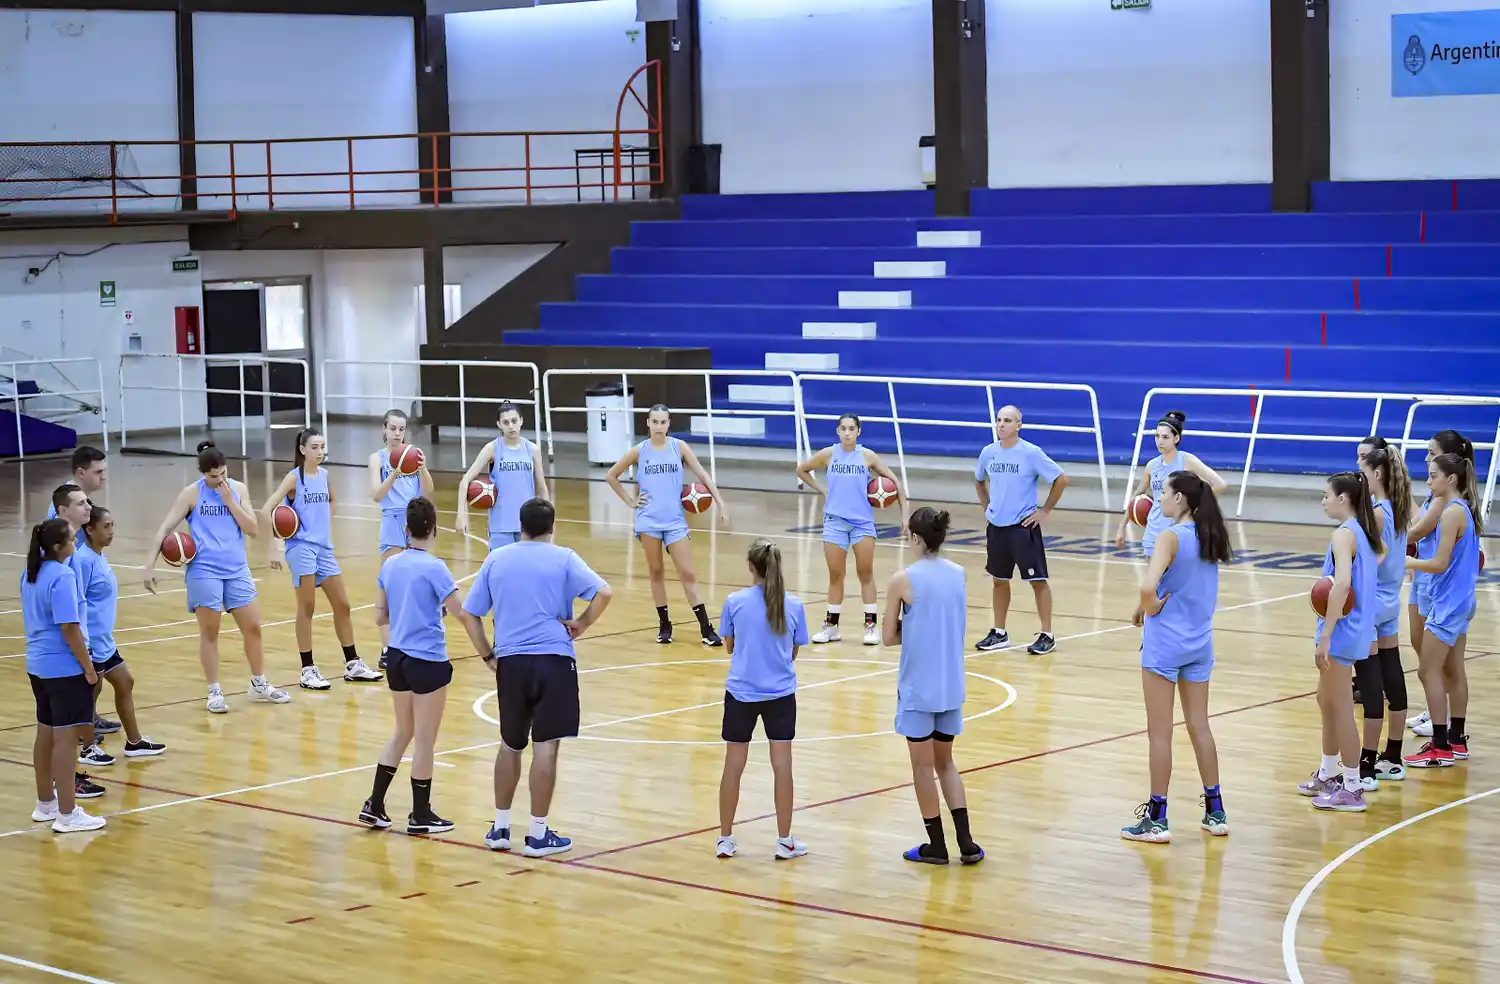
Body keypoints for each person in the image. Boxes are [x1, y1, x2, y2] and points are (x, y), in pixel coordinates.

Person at [459, 497, 611, 858]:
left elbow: (469, 614)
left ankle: (499, 828)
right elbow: (604, 592)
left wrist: (487, 654)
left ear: (520, 526)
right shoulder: (564, 557)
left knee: (510, 743)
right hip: (553, 660)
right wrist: (583, 623)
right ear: (552, 527)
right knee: (546, 746)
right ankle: (539, 834)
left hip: (511, 662)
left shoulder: (497, 558)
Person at [1120, 472, 1232, 843]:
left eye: (1163, 493)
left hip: (1165, 645)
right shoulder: (1209, 534)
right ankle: (1215, 811)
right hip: (1199, 644)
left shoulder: (1169, 537)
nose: (1158, 500)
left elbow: (1149, 585)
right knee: (1200, 726)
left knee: (1160, 734)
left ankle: (1157, 818)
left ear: (1180, 498)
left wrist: (1149, 607)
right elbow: (1180, 582)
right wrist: (1145, 606)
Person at [143, 440, 290, 713]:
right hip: (204, 570)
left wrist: (229, 501)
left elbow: (253, 529)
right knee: (210, 633)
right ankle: (214, 691)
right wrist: (150, 564)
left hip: (236, 568)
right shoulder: (191, 494)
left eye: (223, 473)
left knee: (253, 628)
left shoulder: (237, 490)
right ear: (203, 473)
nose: (220, 479)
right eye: (213, 476)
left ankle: (259, 683)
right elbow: (165, 527)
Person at [881, 507, 983, 865]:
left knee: (922, 768)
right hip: (951, 683)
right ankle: (967, 844)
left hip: (918, 688)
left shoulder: (903, 579)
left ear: (916, 539)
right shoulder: (959, 574)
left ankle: (937, 847)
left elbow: (888, 637)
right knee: (946, 763)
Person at [359, 497, 464, 835]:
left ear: (406, 530)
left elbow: (379, 615)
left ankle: (374, 805)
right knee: (424, 742)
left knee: (401, 731)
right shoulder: (436, 567)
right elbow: (460, 611)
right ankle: (420, 815)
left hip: (397, 658)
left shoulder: (390, 565)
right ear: (433, 530)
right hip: (428, 659)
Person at [262, 426, 382, 690]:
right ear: (303, 450)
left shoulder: (325, 475)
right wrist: (274, 545)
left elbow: (332, 500)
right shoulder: (294, 478)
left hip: (323, 549)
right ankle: (307, 669)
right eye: (314, 447)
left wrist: (325, 525)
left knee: (343, 605)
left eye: (322, 447)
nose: (320, 452)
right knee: (307, 608)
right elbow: (268, 508)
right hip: (300, 549)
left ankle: (352, 664)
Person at [715, 539, 810, 860]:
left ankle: (725, 839)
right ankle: (785, 841)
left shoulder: (734, 601)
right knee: (783, 768)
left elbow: (728, 646)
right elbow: (794, 651)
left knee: (733, 766)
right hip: (781, 695)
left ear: (751, 566)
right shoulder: (794, 605)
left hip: (741, 693)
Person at [605, 404, 726, 646]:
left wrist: (721, 503)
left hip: (675, 522)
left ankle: (705, 627)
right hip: (648, 521)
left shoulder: (678, 447)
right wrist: (631, 501)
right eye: (655, 422)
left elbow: (702, 475)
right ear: (647, 424)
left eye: (663, 422)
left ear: (669, 424)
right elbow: (611, 475)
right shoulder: (639, 451)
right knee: (656, 572)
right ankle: (664, 624)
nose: (659, 426)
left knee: (688, 573)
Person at [1297, 472, 1381, 812]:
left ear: (1343, 499)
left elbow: (1342, 585)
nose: (1323, 500)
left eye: (1326, 495)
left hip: (1343, 633)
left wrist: (1327, 634)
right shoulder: (1362, 531)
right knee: (1326, 700)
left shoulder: (1344, 534)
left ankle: (1351, 787)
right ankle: (1329, 773)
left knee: (1342, 709)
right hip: (1358, 629)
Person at [795, 413, 908, 646]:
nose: (847, 432)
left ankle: (870, 626)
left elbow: (895, 483)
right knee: (835, 576)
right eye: (843, 428)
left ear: (859, 431)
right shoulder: (829, 454)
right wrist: (822, 490)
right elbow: (802, 470)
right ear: (838, 431)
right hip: (834, 522)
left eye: (852, 428)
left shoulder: (868, 456)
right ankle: (831, 626)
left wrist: (905, 513)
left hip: (862, 523)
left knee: (865, 573)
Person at [23, 518, 105, 832]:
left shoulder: (29, 572)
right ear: (59, 547)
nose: (76, 544)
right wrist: (88, 669)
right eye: (72, 540)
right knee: (66, 740)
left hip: (38, 666)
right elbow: (69, 627)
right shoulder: (63, 576)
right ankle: (68, 815)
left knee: (46, 734)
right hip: (63, 668)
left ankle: (46, 804)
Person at [1403, 451, 1483, 769]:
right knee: (1452, 670)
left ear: (1451, 479)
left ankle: (1439, 746)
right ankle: (1457, 739)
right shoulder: (1461, 509)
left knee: (1427, 670)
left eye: (1434, 475)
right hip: (1461, 600)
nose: (1429, 479)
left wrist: (1407, 561)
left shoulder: (1451, 513)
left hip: (1449, 603)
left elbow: (1438, 563)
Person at [973, 405, 1069, 655]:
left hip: (1022, 528)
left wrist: (1045, 510)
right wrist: (988, 508)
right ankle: (999, 632)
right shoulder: (988, 453)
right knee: (999, 580)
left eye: (1008, 420)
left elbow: (1061, 478)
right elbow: (979, 481)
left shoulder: (1031, 453)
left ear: (1018, 425)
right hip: (997, 528)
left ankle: (1047, 634)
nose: (1002, 424)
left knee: (1037, 581)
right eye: (999, 420)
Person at [75, 506, 166, 764]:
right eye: (106, 527)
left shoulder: (98, 556)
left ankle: (134, 742)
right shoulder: (83, 560)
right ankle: (87, 749)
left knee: (125, 682)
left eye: (113, 525)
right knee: (88, 697)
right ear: (89, 530)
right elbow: (77, 604)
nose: (111, 531)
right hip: (91, 643)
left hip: (105, 642)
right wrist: (85, 645)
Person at [45, 446, 117, 738]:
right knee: (85, 675)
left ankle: (89, 720)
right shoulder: (65, 506)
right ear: (80, 473)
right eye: (97, 472)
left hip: (76, 599)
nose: (103, 477)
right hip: (67, 601)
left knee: (95, 675)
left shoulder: (78, 503)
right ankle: (81, 735)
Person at [1352, 439, 1412, 783]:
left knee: (1370, 678)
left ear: (1377, 473)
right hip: (1391, 599)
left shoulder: (1376, 512)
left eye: (1364, 471)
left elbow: (1374, 557)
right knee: (1393, 670)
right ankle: (1393, 754)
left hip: (1372, 602)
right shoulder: (1398, 508)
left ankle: (1366, 763)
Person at [49, 486, 108, 795]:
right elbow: (67, 622)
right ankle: (65, 790)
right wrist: (85, 660)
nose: (88, 507)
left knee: (53, 730)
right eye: (81, 503)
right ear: (62, 512)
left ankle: (50, 794)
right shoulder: (60, 564)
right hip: (65, 654)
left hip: (63, 650)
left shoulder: (67, 552)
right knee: (64, 729)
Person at [368, 409, 435, 669]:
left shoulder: (413, 455)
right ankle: (387, 648)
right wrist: (395, 471)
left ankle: (411, 641)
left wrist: (423, 467)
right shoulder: (377, 458)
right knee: (390, 584)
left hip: (415, 518)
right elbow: (376, 494)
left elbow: (428, 489)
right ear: (384, 429)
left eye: (401, 429)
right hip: (392, 520)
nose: (397, 433)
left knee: (416, 584)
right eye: (393, 428)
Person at [1115, 411, 1227, 557]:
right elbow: (1137, 495)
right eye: (1157, 436)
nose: (1159, 441)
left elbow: (1220, 484)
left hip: (1179, 532)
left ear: (1176, 438)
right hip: (1153, 532)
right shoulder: (1151, 465)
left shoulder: (1187, 460)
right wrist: (1122, 526)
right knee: (1154, 579)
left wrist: (1192, 505)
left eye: (1165, 437)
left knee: (1176, 578)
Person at [455, 400, 550, 549]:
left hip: (528, 526)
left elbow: (542, 488)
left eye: (514, 421)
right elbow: (465, 481)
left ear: (521, 421)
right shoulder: (492, 449)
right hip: (500, 527)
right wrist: (461, 515)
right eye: (506, 422)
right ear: (499, 425)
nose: (511, 426)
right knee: (500, 571)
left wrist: (548, 522)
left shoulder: (533, 450)